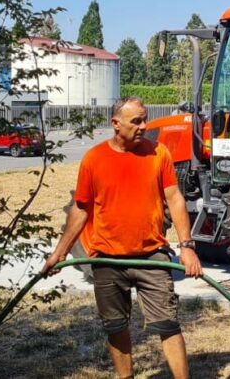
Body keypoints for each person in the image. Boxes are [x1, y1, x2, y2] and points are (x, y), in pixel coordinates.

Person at [42, 96, 203, 379]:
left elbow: (175, 199)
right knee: (115, 327)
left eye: (145, 119)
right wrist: (60, 253)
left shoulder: (159, 153)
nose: (144, 126)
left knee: (168, 325)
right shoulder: (94, 159)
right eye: (136, 121)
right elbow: (81, 209)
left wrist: (187, 247)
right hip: (107, 259)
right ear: (115, 124)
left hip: (152, 256)